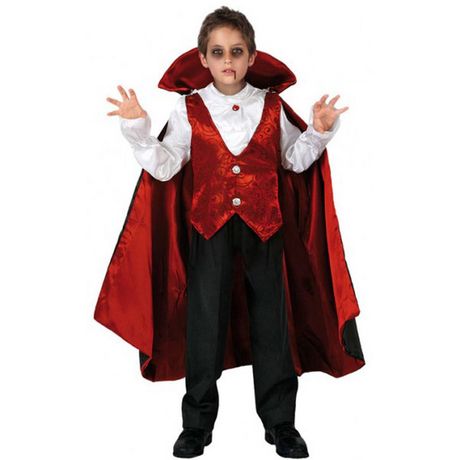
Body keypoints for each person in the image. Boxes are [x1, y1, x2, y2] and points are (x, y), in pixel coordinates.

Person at [97, 5, 365, 459]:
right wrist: (138, 131)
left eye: (236, 51)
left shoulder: (272, 106)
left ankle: (281, 423)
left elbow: (294, 161)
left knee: (272, 325)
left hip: (266, 230)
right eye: (218, 52)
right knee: (204, 326)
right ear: (203, 58)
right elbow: (166, 167)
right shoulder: (188, 108)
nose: (227, 60)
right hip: (209, 230)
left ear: (251, 56)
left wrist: (319, 133)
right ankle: (197, 425)